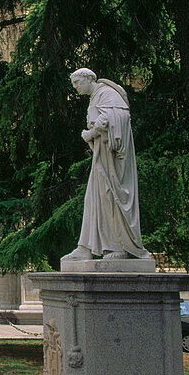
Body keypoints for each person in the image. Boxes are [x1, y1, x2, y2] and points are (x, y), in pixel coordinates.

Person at [62, 68, 152, 262]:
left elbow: (117, 118)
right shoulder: (96, 97)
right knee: (94, 200)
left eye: (77, 83)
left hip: (113, 160)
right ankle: (85, 246)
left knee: (110, 199)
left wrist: (91, 133)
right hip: (102, 157)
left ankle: (118, 246)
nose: (76, 88)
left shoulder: (108, 93)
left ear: (88, 79)